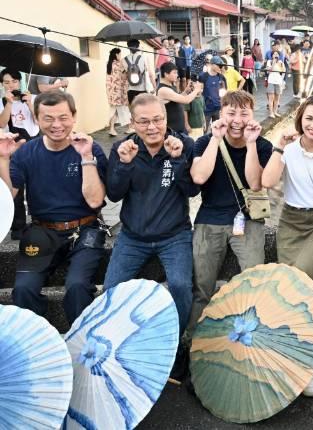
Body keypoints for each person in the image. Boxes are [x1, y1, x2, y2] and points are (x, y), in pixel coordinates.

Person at [0, 91, 107, 325]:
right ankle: (36, 344)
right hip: (42, 231)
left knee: (78, 286)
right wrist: (4, 159)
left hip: (85, 229)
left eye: (63, 117)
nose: (56, 125)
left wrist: (86, 156)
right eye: (48, 118)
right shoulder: (26, 152)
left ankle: (82, 345)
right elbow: (9, 197)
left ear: (73, 116)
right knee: (23, 289)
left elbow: (95, 201)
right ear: (36, 118)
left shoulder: (90, 147)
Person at [262, 95, 313, 397]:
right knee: (302, 286)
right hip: (292, 224)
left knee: (305, 277)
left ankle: (309, 362)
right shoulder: (290, 149)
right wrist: (280, 147)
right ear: (300, 120)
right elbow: (266, 182)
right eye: (309, 118)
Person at [104, 93, 199, 337]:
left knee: (180, 285)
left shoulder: (183, 144)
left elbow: (192, 189)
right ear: (133, 123)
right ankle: (120, 339)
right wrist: (124, 164)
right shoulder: (123, 148)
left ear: (166, 118)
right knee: (111, 289)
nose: (152, 127)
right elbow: (113, 195)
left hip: (175, 235)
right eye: (144, 121)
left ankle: (177, 342)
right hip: (132, 237)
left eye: (158, 119)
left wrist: (178, 161)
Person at [188, 91, 272, 334]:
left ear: (252, 115)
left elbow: (255, 184)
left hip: (248, 221)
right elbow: (199, 177)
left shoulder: (263, 145)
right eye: (231, 113)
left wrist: (252, 143)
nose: (237, 119)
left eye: (244, 113)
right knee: (201, 288)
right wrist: (216, 139)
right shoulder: (204, 143)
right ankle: (192, 341)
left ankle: (251, 339)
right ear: (221, 114)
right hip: (209, 220)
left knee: (254, 284)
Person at [1, 69, 39, 239]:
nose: (11, 85)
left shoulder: (32, 99)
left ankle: (39, 221)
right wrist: (8, 103)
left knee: (37, 185)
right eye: (7, 82)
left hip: (32, 145)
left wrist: (30, 103)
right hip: (12, 147)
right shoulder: (2, 102)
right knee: (15, 185)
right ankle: (18, 227)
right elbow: (2, 124)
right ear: (2, 84)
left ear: (20, 82)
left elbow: (39, 121)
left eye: (15, 81)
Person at [157, 62, 201, 134]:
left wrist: (186, 91)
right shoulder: (163, 90)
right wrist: (196, 90)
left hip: (179, 129)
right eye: (174, 73)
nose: (177, 75)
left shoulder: (171, 85)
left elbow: (178, 99)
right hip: (172, 132)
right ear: (166, 74)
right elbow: (186, 100)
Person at [105, 48, 130, 136]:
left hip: (111, 92)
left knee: (114, 110)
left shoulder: (108, 64)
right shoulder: (120, 64)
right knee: (124, 109)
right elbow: (124, 77)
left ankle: (112, 129)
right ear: (116, 54)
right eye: (120, 54)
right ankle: (129, 128)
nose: (120, 56)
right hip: (119, 91)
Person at [199, 56, 227, 132]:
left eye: (222, 66)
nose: (221, 67)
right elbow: (199, 93)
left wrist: (223, 108)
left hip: (218, 109)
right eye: (219, 65)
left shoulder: (221, 77)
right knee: (203, 131)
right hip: (206, 110)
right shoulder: (203, 76)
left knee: (216, 131)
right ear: (212, 64)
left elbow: (224, 94)